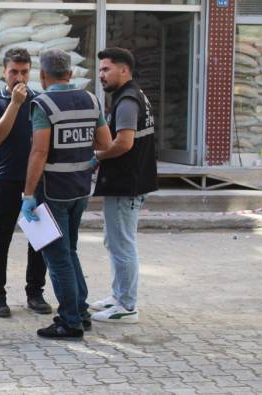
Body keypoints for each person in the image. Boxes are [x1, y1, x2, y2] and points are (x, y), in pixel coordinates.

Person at [20, 49, 112, 340]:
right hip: (81, 188)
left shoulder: (43, 103)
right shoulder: (91, 100)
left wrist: (28, 193)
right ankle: (81, 312)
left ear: (43, 77)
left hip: (53, 191)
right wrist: (89, 161)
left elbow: (39, 151)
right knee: (70, 252)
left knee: (57, 259)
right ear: (70, 74)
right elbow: (106, 143)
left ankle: (70, 322)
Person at [90, 48, 158, 324]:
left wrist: (96, 157)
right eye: (101, 70)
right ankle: (119, 295)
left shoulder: (128, 100)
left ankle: (126, 306)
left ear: (124, 70)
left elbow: (124, 143)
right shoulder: (133, 95)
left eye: (107, 69)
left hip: (126, 184)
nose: (102, 75)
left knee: (122, 244)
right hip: (130, 182)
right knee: (116, 240)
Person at [0, 48, 51, 318]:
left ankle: (35, 292)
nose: (19, 77)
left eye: (24, 72)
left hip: (36, 180)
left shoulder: (41, 101)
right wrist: (14, 104)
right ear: (4, 72)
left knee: (38, 241)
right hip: (6, 179)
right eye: (13, 71)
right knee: (1, 238)